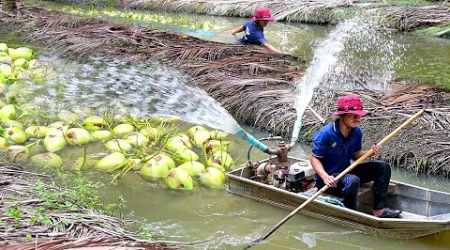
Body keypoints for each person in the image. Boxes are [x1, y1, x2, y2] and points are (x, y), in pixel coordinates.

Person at [310, 95, 402, 218]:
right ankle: (350, 215)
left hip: (346, 171)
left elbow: (355, 155)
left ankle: (379, 210)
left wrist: (370, 152)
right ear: (342, 116)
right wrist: (325, 176)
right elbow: (314, 158)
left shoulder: (356, 132)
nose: (357, 119)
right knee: (353, 181)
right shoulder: (325, 134)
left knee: (383, 168)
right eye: (353, 115)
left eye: (358, 115)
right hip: (330, 179)